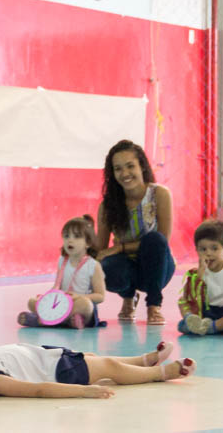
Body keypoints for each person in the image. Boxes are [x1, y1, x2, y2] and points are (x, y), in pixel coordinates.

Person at [0, 335, 193, 400]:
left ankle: (144, 360)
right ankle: (159, 373)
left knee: (97, 359)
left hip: (52, 357)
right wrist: (82, 392)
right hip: (60, 371)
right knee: (108, 366)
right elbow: (39, 389)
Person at [95, 139, 175, 324]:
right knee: (105, 268)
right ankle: (128, 297)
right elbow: (101, 250)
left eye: (130, 166)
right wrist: (81, 243)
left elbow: (163, 240)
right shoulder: (107, 205)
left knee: (154, 240)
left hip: (157, 267)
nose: (125, 173)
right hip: (127, 267)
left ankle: (154, 306)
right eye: (118, 169)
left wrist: (120, 247)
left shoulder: (160, 194)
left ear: (142, 166)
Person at [18, 215, 106, 329]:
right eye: (66, 236)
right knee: (32, 301)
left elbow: (100, 296)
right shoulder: (62, 260)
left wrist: (79, 296)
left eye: (77, 236)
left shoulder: (93, 265)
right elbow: (57, 286)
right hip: (60, 303)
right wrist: (48, 296)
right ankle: (68, 320)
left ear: (88, 243)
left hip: (78, 304)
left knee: (86, 305)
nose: (70, 240)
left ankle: (41, 320)